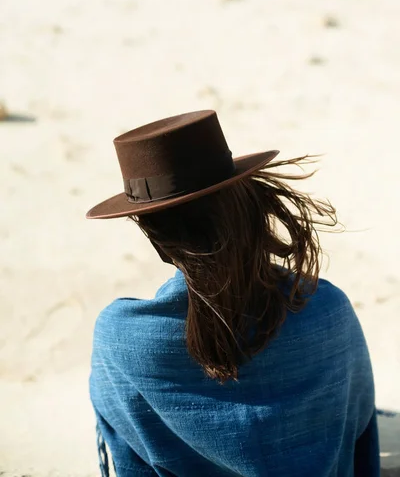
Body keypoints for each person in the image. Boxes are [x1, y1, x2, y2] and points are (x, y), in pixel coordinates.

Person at [87, 110, 379, 477]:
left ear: (158, 242)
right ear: (248, 208)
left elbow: (130, 460)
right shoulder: (325, 308)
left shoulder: (120, 337)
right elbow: (360, 432)